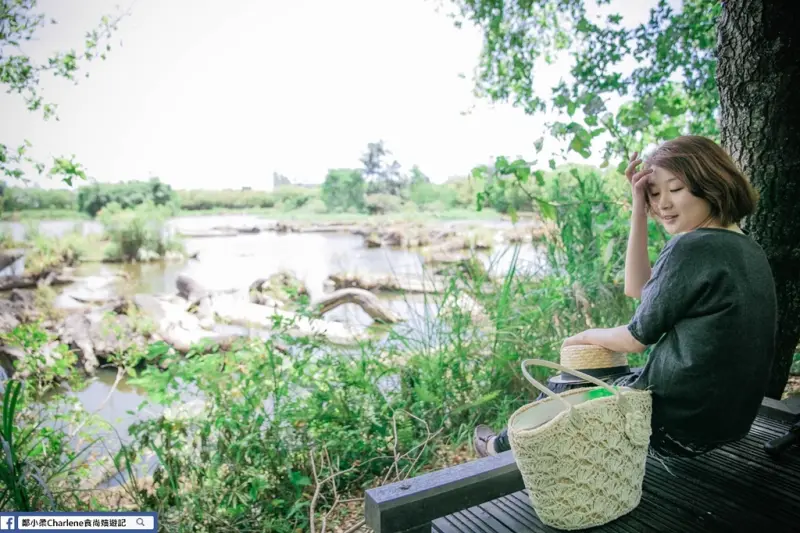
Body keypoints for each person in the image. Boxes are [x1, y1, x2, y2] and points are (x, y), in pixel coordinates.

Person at [474, 135, 777, 459]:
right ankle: (505, 445)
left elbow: (635, 340)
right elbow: (639, 289)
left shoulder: (692, 247)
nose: (662, 204)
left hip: (677, 427)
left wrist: (584, 336)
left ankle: (498, 448)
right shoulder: (747, 246)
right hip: (728, 423)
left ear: (711, 184)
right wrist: (638, 209)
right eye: (654, 194)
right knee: (592, 379)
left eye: (676, 189)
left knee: (571, 381)